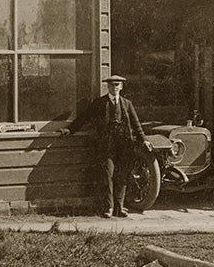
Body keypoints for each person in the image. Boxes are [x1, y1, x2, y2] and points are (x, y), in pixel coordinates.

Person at [61, 74, 149, 218]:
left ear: (121, 87)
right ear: (107, 87)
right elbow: (84, 117)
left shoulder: (127, 103)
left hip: (124, 145)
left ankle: (119, 208)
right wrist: (70, 129)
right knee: (108, 175)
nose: (114, 88)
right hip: (107, 145)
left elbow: (136, 124)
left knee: (122, 176)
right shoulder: (99, 103)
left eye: (117, 85)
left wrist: (143, 139)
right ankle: (108, 207)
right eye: (111, 85)